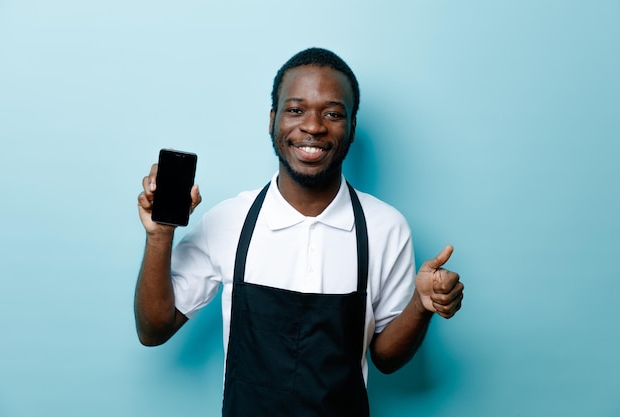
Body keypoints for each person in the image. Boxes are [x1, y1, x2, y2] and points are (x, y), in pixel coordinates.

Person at [135, 47, 464, 417]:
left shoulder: (386, 227)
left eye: (333, 113)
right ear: (273, 120)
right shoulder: (230, 219)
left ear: (352, 126)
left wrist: (421, 306)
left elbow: (386, 358)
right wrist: (159, 236)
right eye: (295, 110)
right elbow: (154, 329)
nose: (313, 126)